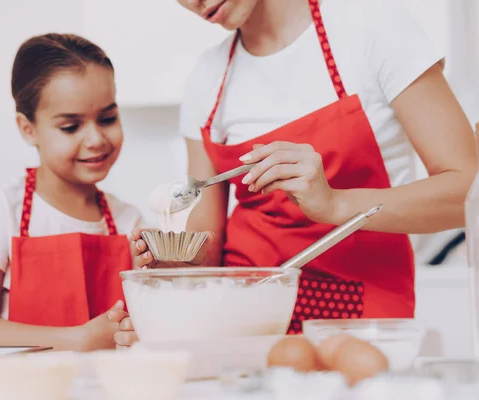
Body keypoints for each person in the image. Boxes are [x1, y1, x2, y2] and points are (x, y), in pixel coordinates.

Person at [120, 0, 477, 345]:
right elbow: (208, 245)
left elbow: (467, 189)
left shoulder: (372, 28)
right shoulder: (207, 77)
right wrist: (177, 256)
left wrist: (334, 204)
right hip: (245, 316)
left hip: (361, 317)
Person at [0, 33, 144, 351]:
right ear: (28, 129)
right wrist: (78, 338)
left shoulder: (128, 220)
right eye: (71, 127)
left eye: (108, 118)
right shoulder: (2, 205)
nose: (96, 139)